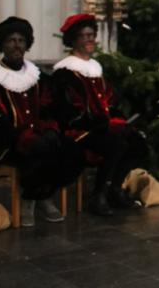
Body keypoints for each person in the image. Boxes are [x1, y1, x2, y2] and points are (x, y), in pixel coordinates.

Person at [0, 17, 84, 227]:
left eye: (21, 40)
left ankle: (39, 195)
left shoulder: (37, 77)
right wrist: (20, 136)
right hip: (7, 142)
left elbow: (50, 107)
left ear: (27, 45)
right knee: (37, 149)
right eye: (11, 40)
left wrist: (50, 128)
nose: (17, 45)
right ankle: (34, 199)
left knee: (71, 149)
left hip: (39, 135)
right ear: (2, 45)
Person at [51, 13, 147, 216]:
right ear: (74, 40)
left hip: (102, 128)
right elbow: (69, 111)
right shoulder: (65, 73)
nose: (89, 39)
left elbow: (110, 102)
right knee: (115, 142)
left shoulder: (95, 70)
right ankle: (98, 196)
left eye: (91, 35)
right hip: (77, 131)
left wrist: (118, 119)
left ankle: (115, 189)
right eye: (84, 36)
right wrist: (102, 123)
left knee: (138, 142)